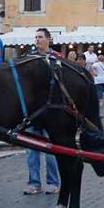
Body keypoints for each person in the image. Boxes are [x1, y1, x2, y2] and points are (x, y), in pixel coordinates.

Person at [25, 28, 60, 195]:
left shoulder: (56, 59)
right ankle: (34, 183)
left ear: (48, 39)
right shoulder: (29, 58)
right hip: (32, 110)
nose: (37, 40)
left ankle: (53, 182)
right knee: (31, 149)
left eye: (40, 37)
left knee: (50, 149)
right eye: (36, 37)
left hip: (50, 109)